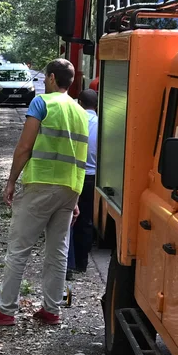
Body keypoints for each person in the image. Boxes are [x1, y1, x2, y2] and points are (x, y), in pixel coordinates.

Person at [0, 59, 89, 326]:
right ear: (70, 82)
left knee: (19, 249)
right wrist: (73, 198)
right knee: (57, 251)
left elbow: (25, 146)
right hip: (70, 188)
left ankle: (5, 310)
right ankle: (52, 310)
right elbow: (82, 154)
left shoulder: (41, 103)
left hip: (40, 183)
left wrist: (11, 181)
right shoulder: (80, 111)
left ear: (50, 78)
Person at [66, 89, 100, 279]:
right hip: (93, 179)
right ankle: (82, 263)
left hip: (73, 176)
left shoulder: (74, 122)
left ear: (79, 102)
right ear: (96, 105)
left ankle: (68, 264)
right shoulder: (102, 125)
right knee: (86, 220)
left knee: (68, 220)